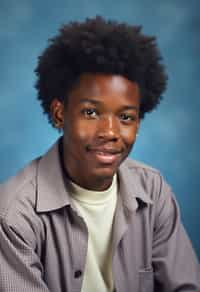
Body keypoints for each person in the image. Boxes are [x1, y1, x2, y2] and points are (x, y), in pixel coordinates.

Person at [0, 16, 199, 292]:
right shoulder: (12, 214)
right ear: (59, 114)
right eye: (91, 112)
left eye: (126, 117)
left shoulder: (153, 191)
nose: (110, 131)